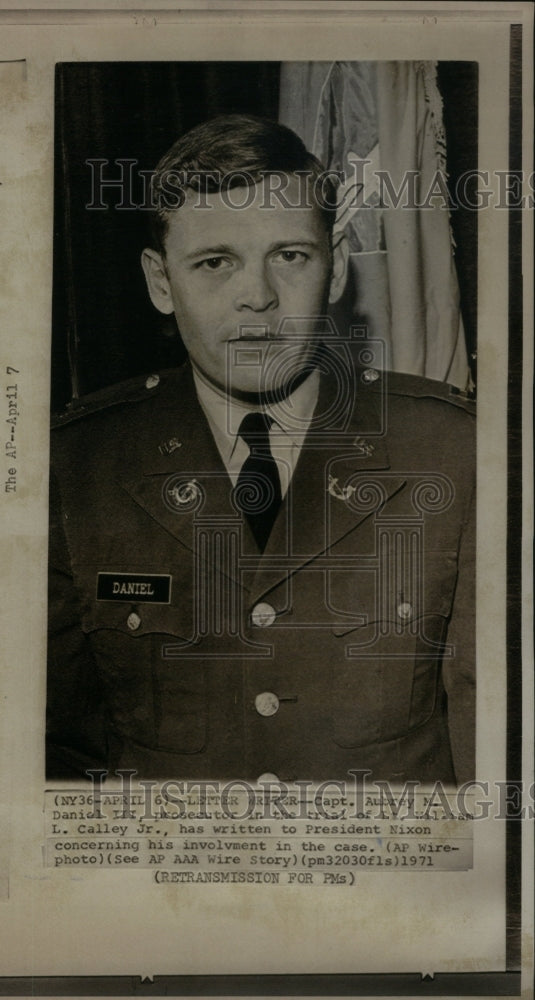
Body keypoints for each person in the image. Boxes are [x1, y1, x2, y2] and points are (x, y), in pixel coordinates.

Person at [47, 114, 475, 785]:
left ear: (333, 271)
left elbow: (493, 741)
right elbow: (59, 757)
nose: (257, 298)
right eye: (215, 262)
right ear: (161, 283)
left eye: (290, 256)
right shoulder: (75, 467)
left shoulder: (452, 449)